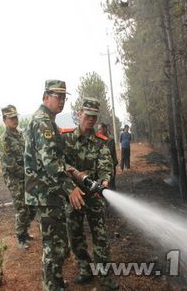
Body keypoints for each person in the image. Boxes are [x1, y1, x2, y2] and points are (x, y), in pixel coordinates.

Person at [24, 80, 84, 291]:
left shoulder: (48, 121)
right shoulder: (43, 122)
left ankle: (56, 281)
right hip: (45, 194)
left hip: (48, 192)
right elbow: (49, 163)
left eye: (64, 97)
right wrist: (70, 188)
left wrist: (72, 171)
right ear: (45, 96)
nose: (61, 101)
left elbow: (53, 159)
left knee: (58, 243)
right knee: (53, 245)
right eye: (57, 96)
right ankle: (51, 286)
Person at [61, 98, 119, 290]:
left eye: (94, 117)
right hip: (74, 195)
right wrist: (73, 183)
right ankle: (85, 269)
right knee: (75, 234)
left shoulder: (102, 142)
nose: (91, 120)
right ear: (80, 114)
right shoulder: (67, 138)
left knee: (100, 236)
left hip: (94, 197)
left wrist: (104, 181)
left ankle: (105, 275)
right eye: (88, 116)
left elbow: (105, 165)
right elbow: (59, 164)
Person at [0, 105, 36, 250]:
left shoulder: (21, 135)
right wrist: (29, 174)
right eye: (11, 118)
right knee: (21, 208)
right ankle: (20, 237)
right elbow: (11, 166)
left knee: (31, 206)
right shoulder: (5, 140)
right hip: (15, 180)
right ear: (4, 120)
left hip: (26, 176)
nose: (15, 120)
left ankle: (25, 232)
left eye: (16, 117)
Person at [97, 122, 118, 189]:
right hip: (102, 167)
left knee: (111, 185)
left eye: (100, 129)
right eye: (98, 130)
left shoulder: (110, 140)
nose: (99, 131)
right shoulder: (99, 140)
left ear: (105, 129)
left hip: (110, 166)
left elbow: (108, 152)